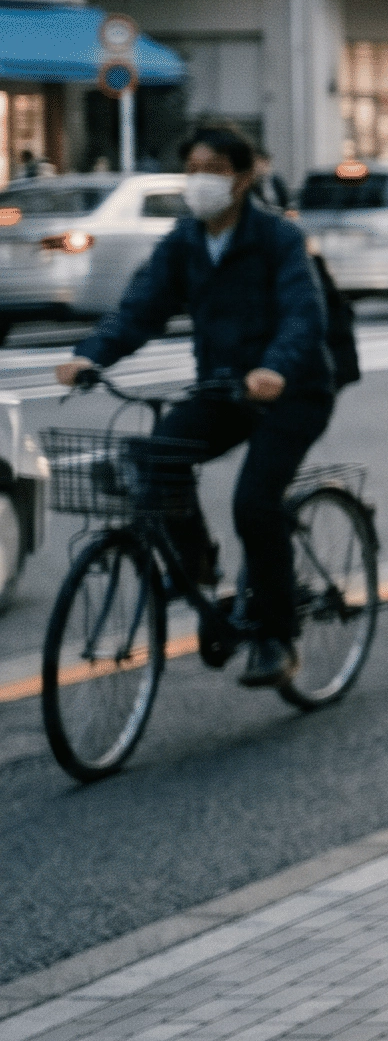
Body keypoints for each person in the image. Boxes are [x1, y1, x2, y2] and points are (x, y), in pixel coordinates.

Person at [55, 126, 334, 688]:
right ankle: (199, 566)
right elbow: (141, 308)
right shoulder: (184, 241)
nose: (200, 181)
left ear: (243, 177)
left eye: (214, 170)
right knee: (153, 457)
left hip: (293, 391)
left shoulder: (277, 237)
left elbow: (303, 313)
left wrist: (276, 367)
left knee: (254, 502)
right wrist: (91, 356)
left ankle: (277, 636)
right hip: (223, 389)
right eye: (192, 170)